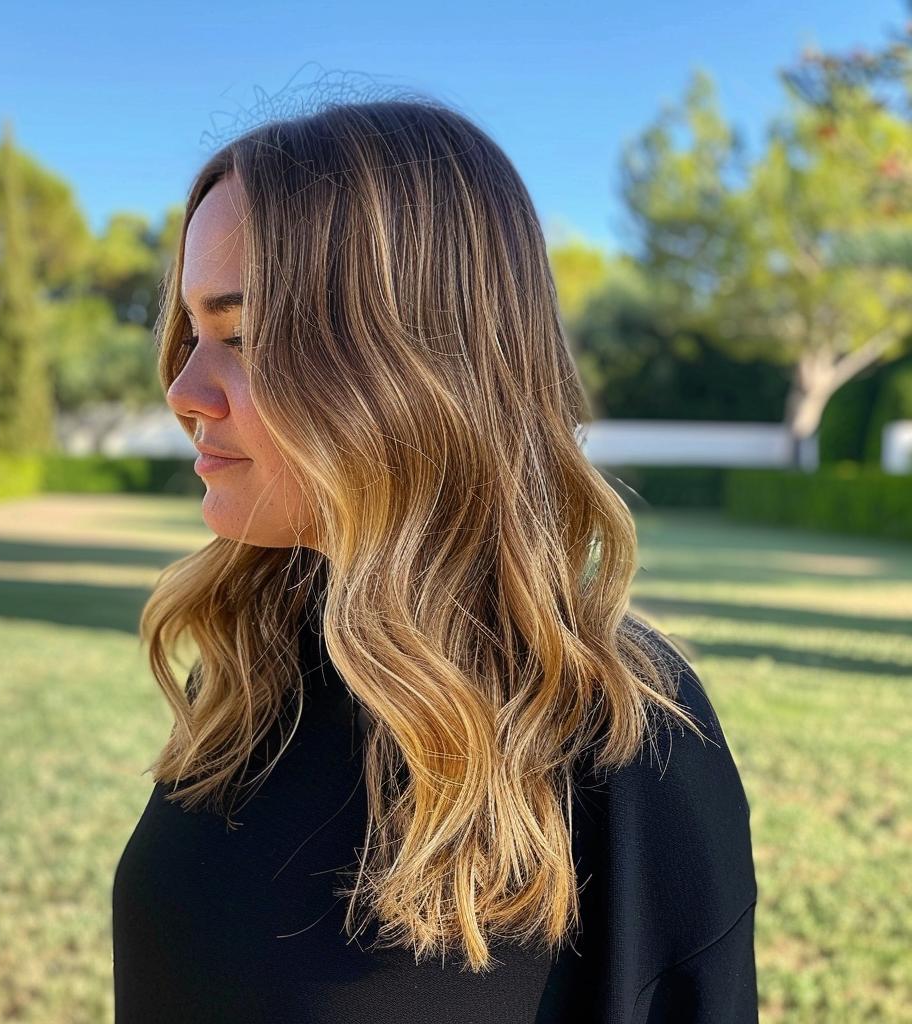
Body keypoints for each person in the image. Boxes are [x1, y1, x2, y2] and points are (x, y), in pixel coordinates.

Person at [111, 94, 759, 1023]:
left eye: (244, 335)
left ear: (414, 360)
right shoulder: (253, 668)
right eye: (191, 332)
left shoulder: (618, 737)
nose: (183, 390)